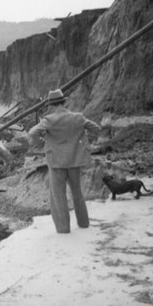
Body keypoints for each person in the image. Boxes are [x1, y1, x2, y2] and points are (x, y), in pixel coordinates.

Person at [28, 89, 100, 233]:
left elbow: (32, 133)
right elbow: (96, 129)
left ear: (50, 104)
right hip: (74, 160)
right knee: (77, 192)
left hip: (56, 162)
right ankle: (84, 223)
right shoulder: (78, 117)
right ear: (64, 101)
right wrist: (83, 144)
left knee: (58, 195)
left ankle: (63, 228)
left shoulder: (49, 119)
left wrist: (42, 144)